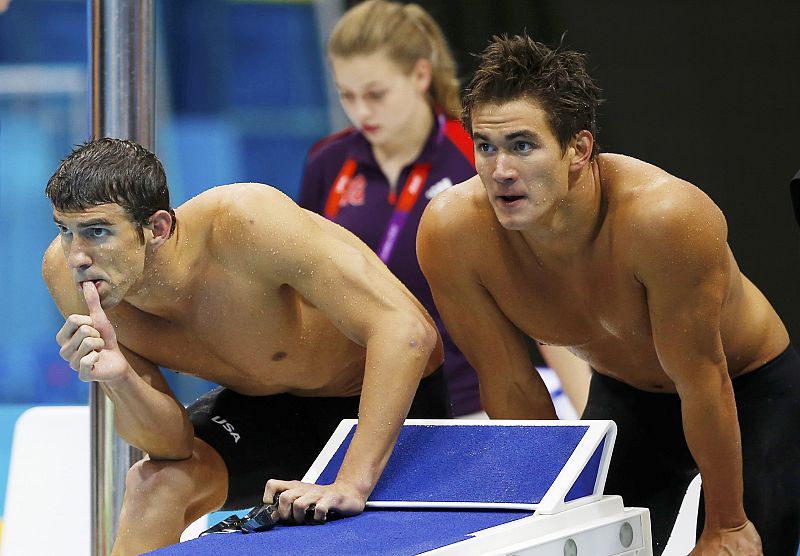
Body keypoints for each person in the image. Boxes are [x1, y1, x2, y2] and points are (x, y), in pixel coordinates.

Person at [417, 34, 800, 556]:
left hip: (747, 388)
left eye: (523, 146)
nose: (500, 170)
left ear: (578, 148)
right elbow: (510, 384)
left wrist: (727, 524)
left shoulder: (663, 220)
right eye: (486, 146)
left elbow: (703, 379)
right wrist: (547, 521)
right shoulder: (453, 233)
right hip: (627, 393)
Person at [42, 138, 451, 555]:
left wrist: (351, 482)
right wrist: (122, 379)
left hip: (385, 403)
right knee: (157, 485)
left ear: (158, 228)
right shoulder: (66, 274)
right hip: (268, 410)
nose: (76, 255)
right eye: (65, 230)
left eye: (97, 232)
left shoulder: (245, 222)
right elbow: (172, 446)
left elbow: (408, 331)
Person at [298, 0, 589, 416]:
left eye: (376, 94)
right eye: (348, 95)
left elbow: (544, 293)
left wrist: (592, 422)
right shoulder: (327, 162)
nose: (362, 111)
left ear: (420, 74)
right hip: (362, 404)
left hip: (471, 404)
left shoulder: (477, 153)